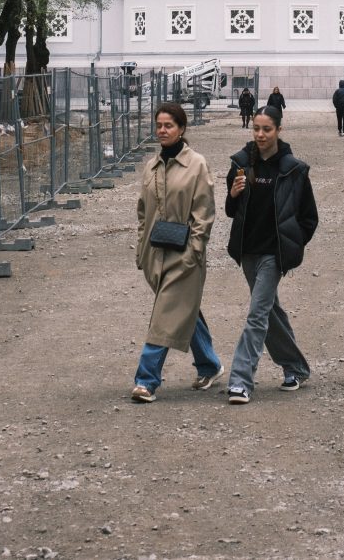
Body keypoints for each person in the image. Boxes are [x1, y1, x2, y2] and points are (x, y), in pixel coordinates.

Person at [223, 105, 318, 404]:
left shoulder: (294, 170)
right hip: (247, 251)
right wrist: (234, 194)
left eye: (267, 129)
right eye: (256, 129)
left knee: (257, 314)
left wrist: (292, 244)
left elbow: (309, 217)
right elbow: (230, 211)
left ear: (279, 130)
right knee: (269, 311)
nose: (260, 134)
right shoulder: (240, 164)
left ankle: (240, 380)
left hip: (273, 255)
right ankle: (296, 367)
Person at [132, 101, 223, 402]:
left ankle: (146, 380)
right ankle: (209, 364)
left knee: (164, 314)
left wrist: (195, 251)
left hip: (185, 255)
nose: (162, 130)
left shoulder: (197, 164)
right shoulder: (152, 165)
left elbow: (204, 212)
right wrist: (141, 249)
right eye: (159, 125)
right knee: (184, 310)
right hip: (155, 254)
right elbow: (143, 211)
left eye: (168, 125)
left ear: (182, 129)